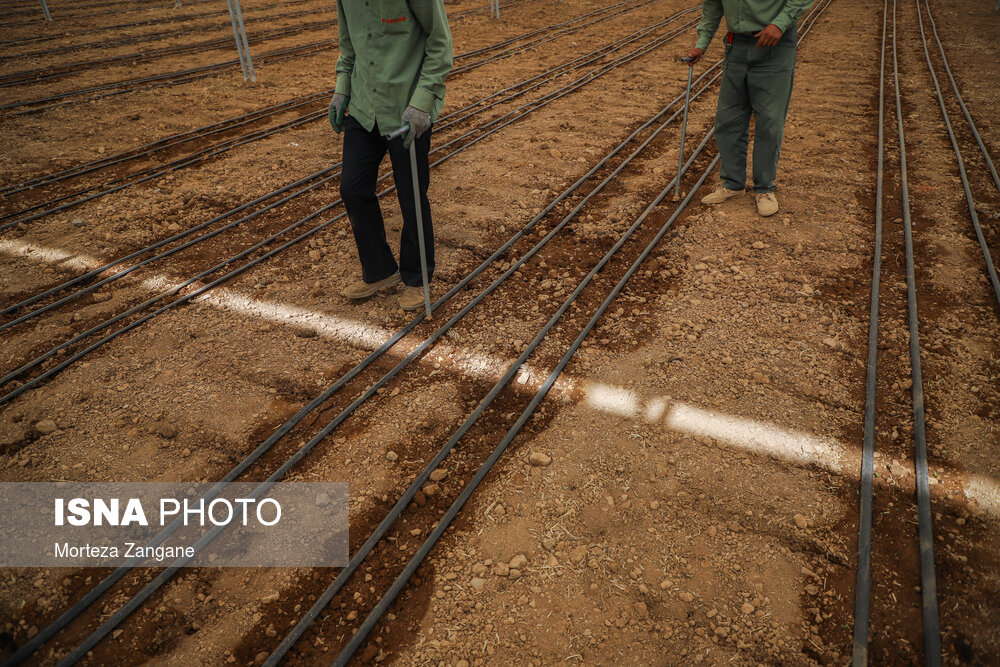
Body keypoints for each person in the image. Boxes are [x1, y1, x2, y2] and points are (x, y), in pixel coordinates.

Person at [329, 0, 453, 311]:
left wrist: (423, 102)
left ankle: (416, 278)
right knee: (353, 189)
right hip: (363, 106)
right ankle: (380, 270)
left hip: (406, 110)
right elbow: (349, 47)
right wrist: (342, 88)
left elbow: (439, 45)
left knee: (411, 195)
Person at [685, 0, 811, 217]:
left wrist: (779, 24)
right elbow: (713, 6)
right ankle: (733, 184)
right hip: (736, 47)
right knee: (728, 119)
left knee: (769, 121)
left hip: (774, 45)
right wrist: (702, 43)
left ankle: (764, 188)